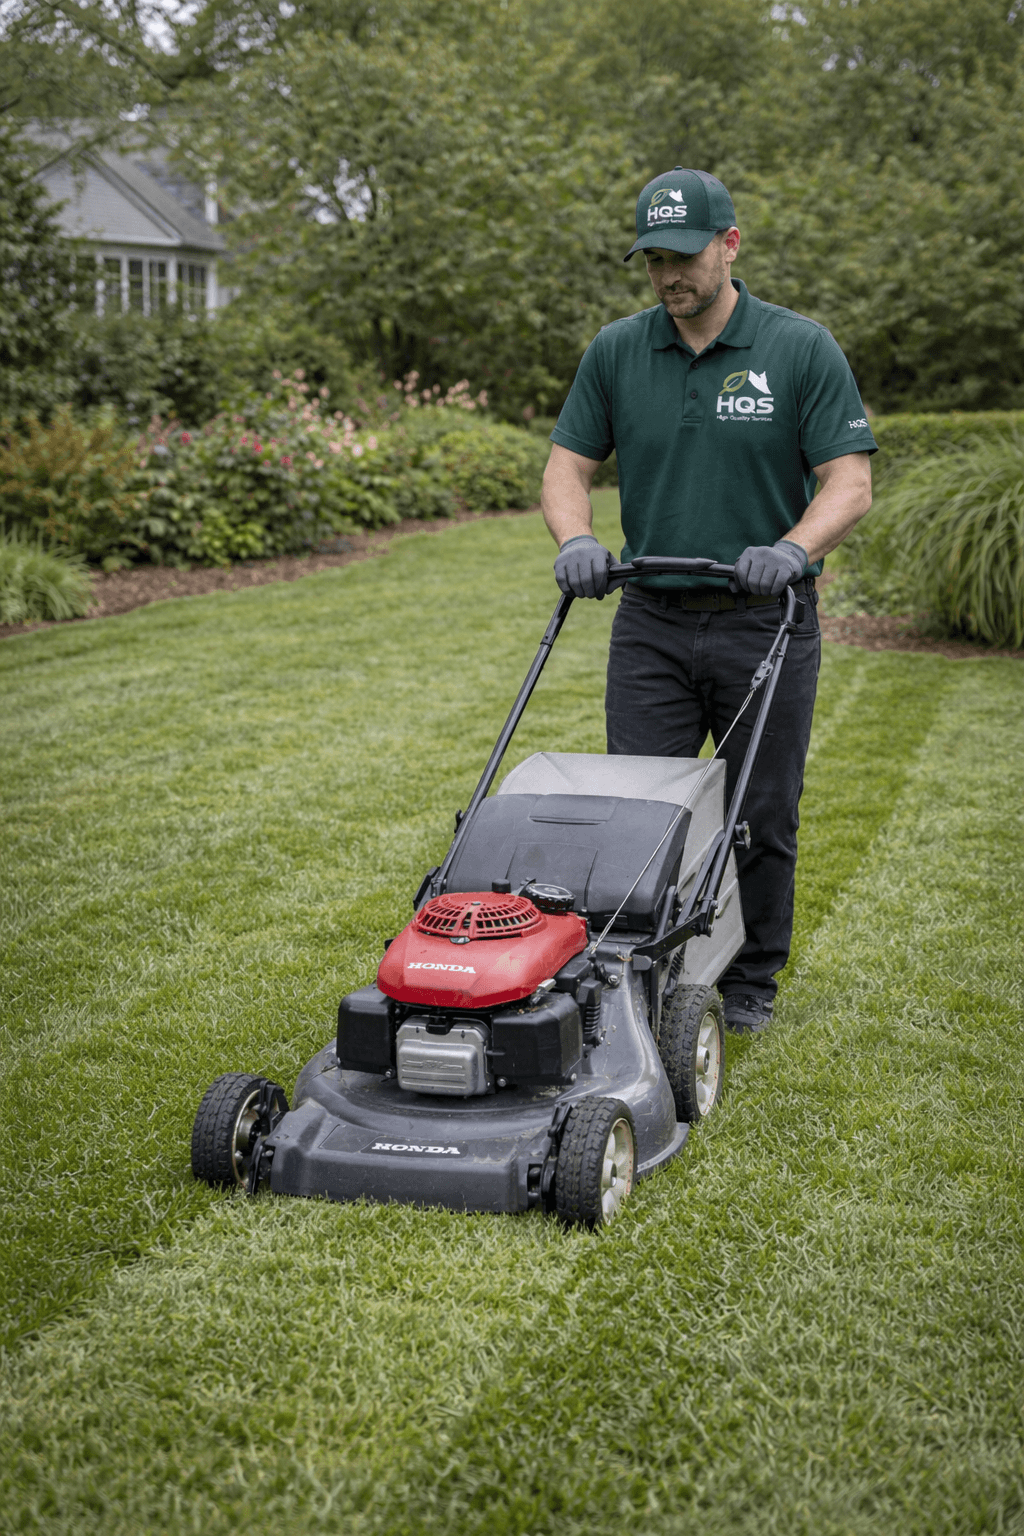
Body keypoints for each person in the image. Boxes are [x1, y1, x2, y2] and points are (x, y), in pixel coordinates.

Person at [541, 166, 876, 1034]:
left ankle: (753, 980)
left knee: (761, 812)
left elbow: (849, 481)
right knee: (639, 813)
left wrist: (793, 550)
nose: (666, 276)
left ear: (730, 244)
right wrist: (578, 539)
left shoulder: (800, 348)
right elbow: (569, 465)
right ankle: (642, 968)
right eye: (652, 258)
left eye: (682, 256)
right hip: (650, 621)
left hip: (765, 621)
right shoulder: (619, 349)